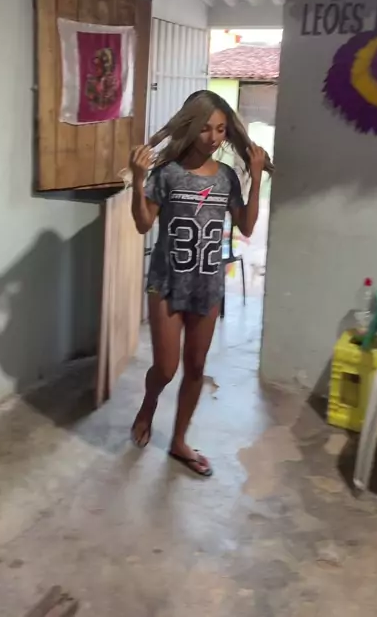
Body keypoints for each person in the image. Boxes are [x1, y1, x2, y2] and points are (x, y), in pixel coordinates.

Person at [129, 90, 270, 477]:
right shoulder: (167, 173)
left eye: (221, 130)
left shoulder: (225, 177)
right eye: (206, 128)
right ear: (190, 128)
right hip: (166, 283)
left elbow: (246, 227)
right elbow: (143, 224)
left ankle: (178, 441)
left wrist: (256, 177)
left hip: (208, 287)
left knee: (195, 367)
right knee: (166, 367)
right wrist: (138, 179)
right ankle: (148, 404)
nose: (213, 138)